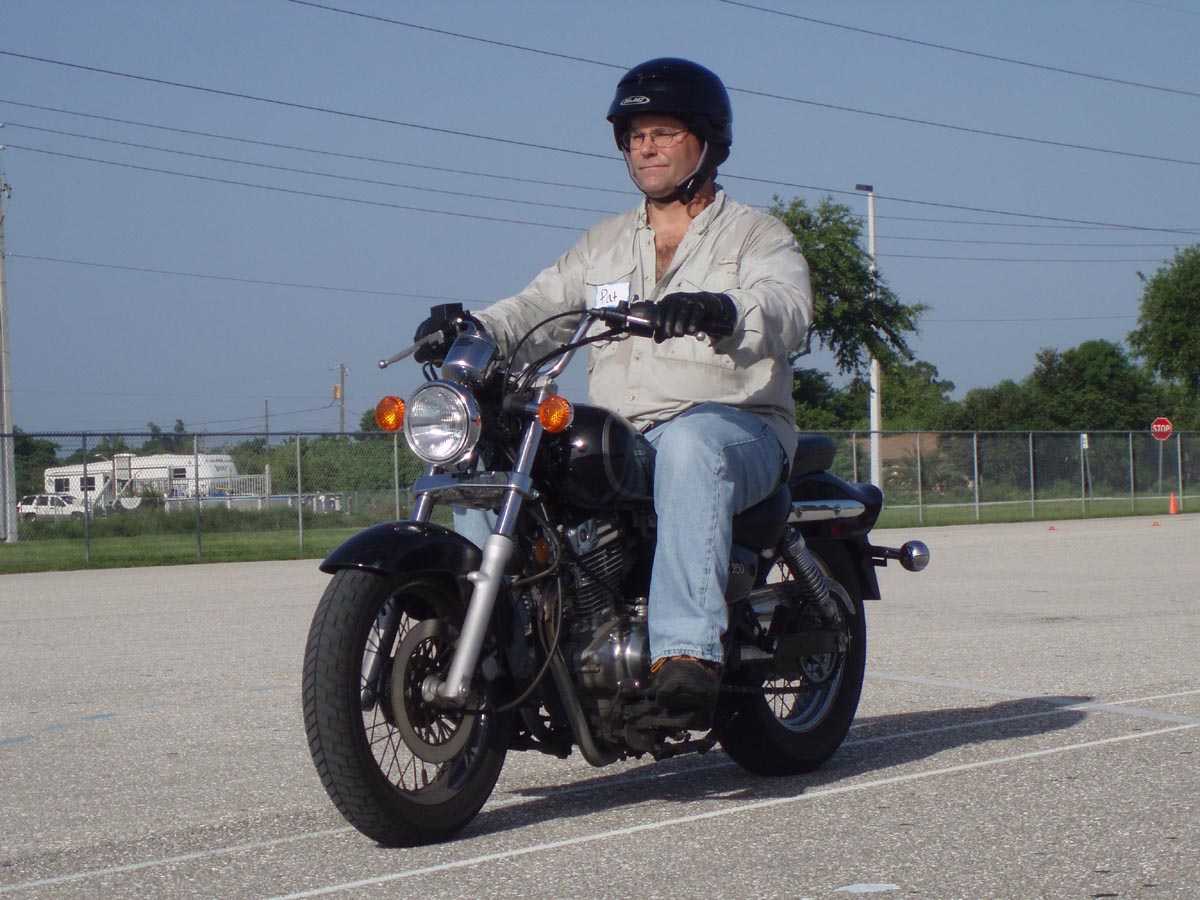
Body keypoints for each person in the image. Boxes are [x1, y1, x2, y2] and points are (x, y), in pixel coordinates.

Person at [416, 57, 813, 711]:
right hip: (627, 434)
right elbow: (538, 308)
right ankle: (497, 640)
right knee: (490, 452)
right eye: (634, 136)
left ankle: (686, 650)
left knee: (690, 446)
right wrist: (475, 329)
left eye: (662, 132)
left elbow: (787, 308)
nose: (645, 147)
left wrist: (722, 309)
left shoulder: (754, 235)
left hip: (737, 425)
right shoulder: (603, 244)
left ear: (708, 139)